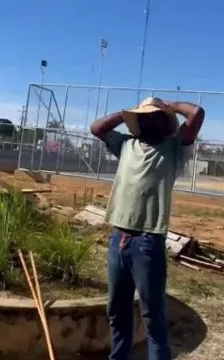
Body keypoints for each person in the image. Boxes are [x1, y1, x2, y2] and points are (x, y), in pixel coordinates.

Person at [90, 97, 204, 360]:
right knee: (117, 311)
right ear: (138, 122)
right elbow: (97, 129)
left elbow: (197, 114)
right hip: (118, 238)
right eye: (144, 117)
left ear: (165, 123)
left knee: (153, 316)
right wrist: (126, 112)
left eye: (155, 116)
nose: (149, 120)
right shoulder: (126, 145)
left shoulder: (175, 148)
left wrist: (170, 107)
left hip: (148, 241)